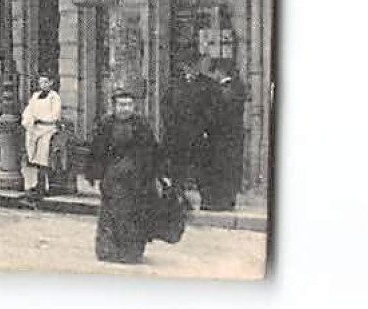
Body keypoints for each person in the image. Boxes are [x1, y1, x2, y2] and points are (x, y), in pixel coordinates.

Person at [84, 84, 163, 264]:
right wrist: (93, 173)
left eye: (129, 105)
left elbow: (152, 150)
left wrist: (155, 175)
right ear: (114, 106)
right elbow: (96, 150)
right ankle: (108, 250)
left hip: (137, 179)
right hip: (113, 177)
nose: (125, 108)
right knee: (110, 213)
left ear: (134, 107)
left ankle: (132, 252)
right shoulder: (106, 124)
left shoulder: (141, 125)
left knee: (134, 214)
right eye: (121, 105)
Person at [199, 60, 249, 211]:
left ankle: (219, 202)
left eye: (213, 72)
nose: (212, 76)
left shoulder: (226, 90)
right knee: (228, 168)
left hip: (222, 137)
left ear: (220, 72)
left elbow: (219, 114)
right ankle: (225, 200)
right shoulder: (236, 87)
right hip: (231, 136)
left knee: (221, 168)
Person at [162, 61, 217, 192]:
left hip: (198, 132)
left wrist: (205, 125)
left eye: (194, 66)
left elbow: (213, 107)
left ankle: (204, 195)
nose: (191, 70)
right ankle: (178, 194)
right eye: (188, 66)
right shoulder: (175, 84)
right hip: (177, 132)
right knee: (177, 164)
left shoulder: (208, 84)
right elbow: (165, 105)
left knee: (202, 164)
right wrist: (171, 123)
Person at [21, 74, 63, 196]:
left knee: (44, 158)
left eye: (45, 82)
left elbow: (55, 115)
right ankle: (38, 183)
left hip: (48, 129)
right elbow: (29, 110)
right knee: (35, 158)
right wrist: (29, 120)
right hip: (35, 129)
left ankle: (44, 184)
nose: (43, 85)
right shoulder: (35, 96)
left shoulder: (54, 97)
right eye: (41, 83)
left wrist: (41, 118)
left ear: (51, 83)